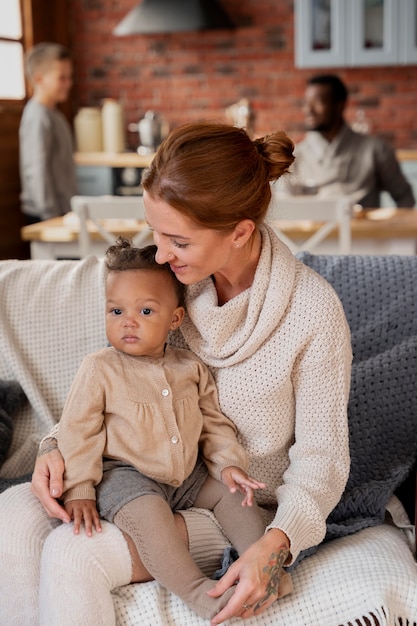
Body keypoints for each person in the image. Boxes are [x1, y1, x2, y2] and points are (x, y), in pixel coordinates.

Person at [0, 121, 352, 626]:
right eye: (155, 235)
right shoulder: (172, 287)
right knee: (12, 518)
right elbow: (117, 381)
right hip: (141, 472)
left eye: (177, 241)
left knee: (75, 554)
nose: (161, 255)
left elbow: (323, 458)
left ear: (240, 232)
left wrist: (276, 544)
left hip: (235, 506)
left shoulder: (313, 313)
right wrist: (54, 448)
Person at [57, 238, 278, 622]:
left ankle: (265, 570)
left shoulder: (189, 367)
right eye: (116, 310)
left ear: (174, 319)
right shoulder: (100, 368)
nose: (128, 321)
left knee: (235, 494)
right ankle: (198, 591)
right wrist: (79, 488)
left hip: (187, 475)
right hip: (127, 476)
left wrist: (229, 466)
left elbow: (214, 424)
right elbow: (78, 431)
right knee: (150, 517)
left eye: (145, 310)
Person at [286, 74, 415, 209]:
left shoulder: (376, 150)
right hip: (312, 229)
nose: (308, 110)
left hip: (364, 229)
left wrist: (390, 228)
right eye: (306, 103)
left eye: (318, 102)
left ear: (339, 105)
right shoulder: (295, 156)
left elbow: (405, 197)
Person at [19, 42, 78, 224]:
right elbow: (36, 169)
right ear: (39, 79)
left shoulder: (55, 115)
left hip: (61, 210)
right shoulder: (38, 117)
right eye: (62, 78)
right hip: (46, 214)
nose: (69, 83)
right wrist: (50, 215)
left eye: (69, 77)